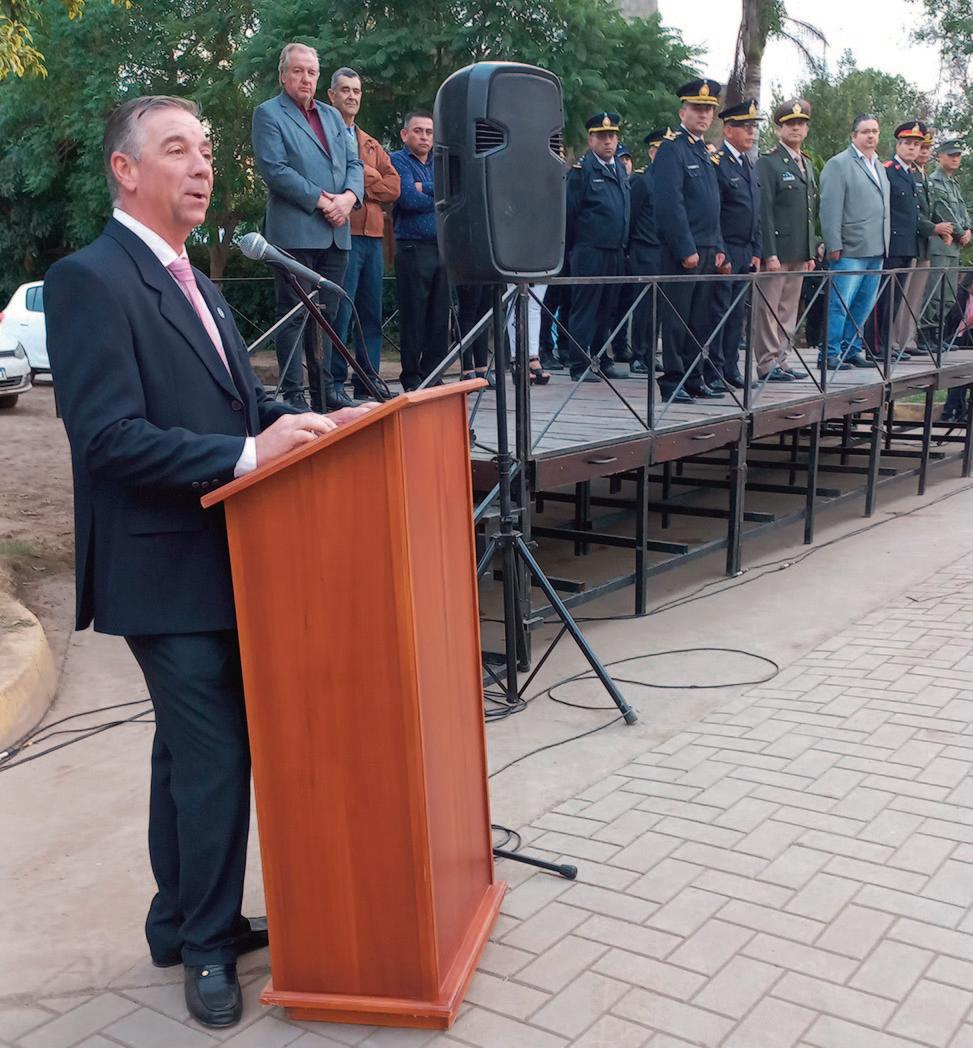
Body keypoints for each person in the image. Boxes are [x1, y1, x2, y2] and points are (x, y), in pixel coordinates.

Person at [44, 96, 370, 1030]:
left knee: (185, 754)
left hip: (222, 557)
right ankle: (208, 947)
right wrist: (247, 455)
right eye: (177, 150)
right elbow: (108, 439)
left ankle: (176, 920)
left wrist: (313, 424)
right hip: (159, 569)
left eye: (206, 152)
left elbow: (239, 407)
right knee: (216, 752)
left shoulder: (199, 279)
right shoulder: (88, 280)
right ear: (124, 170)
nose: (201, 167)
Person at [252, 43, 365, 411]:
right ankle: (293, 395)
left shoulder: (333, 116)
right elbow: (275, 170)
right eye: (298, 71)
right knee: (294, 315)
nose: (305, 78)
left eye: (312, 72)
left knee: (329, 316)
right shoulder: (268, 113)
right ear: (283, 75)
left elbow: (354, 163)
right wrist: (323, 201)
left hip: (336, 233)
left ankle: (325, 391)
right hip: (295, 231)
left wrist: (349, 198)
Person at [327, 67, 400, 401]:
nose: (352, 96)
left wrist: (362, 182)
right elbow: (335, 180)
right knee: (341, 312)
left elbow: (395, 187)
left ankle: (368, 378)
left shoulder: (370, 142)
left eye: (356, 91)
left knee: (371, 313)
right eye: (345, 90)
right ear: (331, 95)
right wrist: (370, 179)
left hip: (373, 238)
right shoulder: (325, 135)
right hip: (344, 235)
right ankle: (333, 382)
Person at [653, 78, 727, 402]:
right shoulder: (672, 149)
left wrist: (719, 245)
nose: (704, 114)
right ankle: (672, 380)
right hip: (684, 251)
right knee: (677, 319)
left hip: (708, 248)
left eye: (708, 109)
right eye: (697, 108)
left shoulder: (704, 151)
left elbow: (713, 205)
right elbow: (670, 204)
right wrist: (685, 248)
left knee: (700, 320)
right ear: (683, 111)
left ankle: (693, 376)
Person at [819, 113, 890, 369]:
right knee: (840, 302)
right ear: (854, 135)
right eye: (865, 131)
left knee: (863, 304)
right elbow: (830, 207)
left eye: (875, 131)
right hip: (850, 247)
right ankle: (829, 353)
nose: (871, 135)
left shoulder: (879, 166)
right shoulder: (839, 164)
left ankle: (851, 349)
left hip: (876, 247)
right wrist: (833, 243)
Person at [563, 112, 631, 383]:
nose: (608, 142)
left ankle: (603, 359)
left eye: (612, 136)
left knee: (607, 309)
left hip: (615, 250)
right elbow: (570, 213)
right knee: (586, 308)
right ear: (591, 140)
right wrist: (573, 250)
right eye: (602, 137)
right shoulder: (582, 171)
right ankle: (579, 363)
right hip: (589, 250)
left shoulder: (619, 169)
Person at [753, 99, 816, 381]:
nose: (796, 129)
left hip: (798, 250)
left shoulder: (806, 163)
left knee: (789, 308)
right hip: (777, 250)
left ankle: (782, 359)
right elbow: (764, 210)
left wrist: (810, 251)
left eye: (800, 124)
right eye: (790, 124)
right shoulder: (769, 162)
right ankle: (767, 363)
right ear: (779, 128)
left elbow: (809, 212)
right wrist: (769, 252)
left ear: (807, 129)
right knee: (768, 308)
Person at [390, 110, 449, 390]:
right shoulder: (397, 160)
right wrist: (437, 194)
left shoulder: (440, 162)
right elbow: (408, 199)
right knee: (414, 314)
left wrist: (424, 187)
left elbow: (454, 196)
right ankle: (412, 377)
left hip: (442, 247)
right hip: (412, 247)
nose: (424, 137)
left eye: (429, 132)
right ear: (405, 134)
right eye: (418, 131)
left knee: (439, 315)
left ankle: (434, 373)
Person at [711, 99, 762, 388]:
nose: (751, 132)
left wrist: (757, 250)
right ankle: (714, 369)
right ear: (728, 130)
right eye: (745, 127)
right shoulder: (719, 163)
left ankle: (731, 367)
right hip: (727, 247)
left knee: (736, 313)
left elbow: (755, 211)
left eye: (753, 127)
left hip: (745, 249)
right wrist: (721, 250)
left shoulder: (747, 164)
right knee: (719, 311)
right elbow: (714, 212)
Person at [871, 121, 926, 360]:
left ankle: (887, 344)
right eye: (908, 143)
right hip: (891, 245)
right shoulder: (888, 170)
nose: (912, 148)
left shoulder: (909, 174)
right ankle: (876, 346)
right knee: (883, 298)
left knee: (895, 299)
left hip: (907, 245)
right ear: (898, 145)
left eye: (916, 144)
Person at [895, 130, 952, 356]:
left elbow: (929, 208)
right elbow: (911, 213)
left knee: (915, 297)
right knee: (902, 295)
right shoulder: (905, 173)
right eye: (920, 146)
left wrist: (943, 229)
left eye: (926, 147)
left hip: (923, 245)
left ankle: (908, 340)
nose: (923, 152)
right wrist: (933, 228)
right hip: (909, 243)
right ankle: (896, 341)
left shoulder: (922, 176)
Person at [626, 128, 669, 376]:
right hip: (644, 250)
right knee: (644, 306)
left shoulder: (669, 181)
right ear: (652, 152)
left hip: (663, 251)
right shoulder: (642, 180)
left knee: (659, 307)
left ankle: (651, 352)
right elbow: (630, 216)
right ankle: (638, 354)